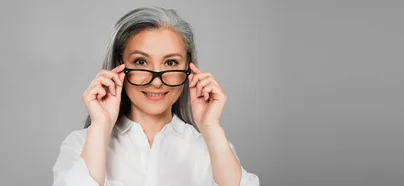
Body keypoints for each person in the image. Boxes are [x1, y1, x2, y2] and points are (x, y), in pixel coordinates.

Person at [52, 6, 259, 186]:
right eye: (141, 62)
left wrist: (211, 127)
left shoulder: (211, 146)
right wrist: (100, 125)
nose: (157, 81)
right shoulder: (81, 144)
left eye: (170, 63)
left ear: (188, 68)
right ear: (119, 66)